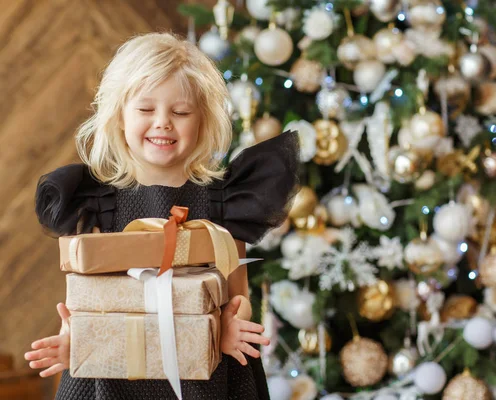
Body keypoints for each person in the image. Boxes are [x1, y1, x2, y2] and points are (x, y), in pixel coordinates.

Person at [24, 32, 300, 400]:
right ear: (120, 116)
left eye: (180, 112)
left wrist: (231, 326)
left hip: (207, 372)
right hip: (114, 374)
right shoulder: (95, 202)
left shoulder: (225, 201)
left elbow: (238, 294)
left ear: (202, 119)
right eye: (145, 109)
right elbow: (86, 302)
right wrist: (73, 340)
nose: (163, 123)